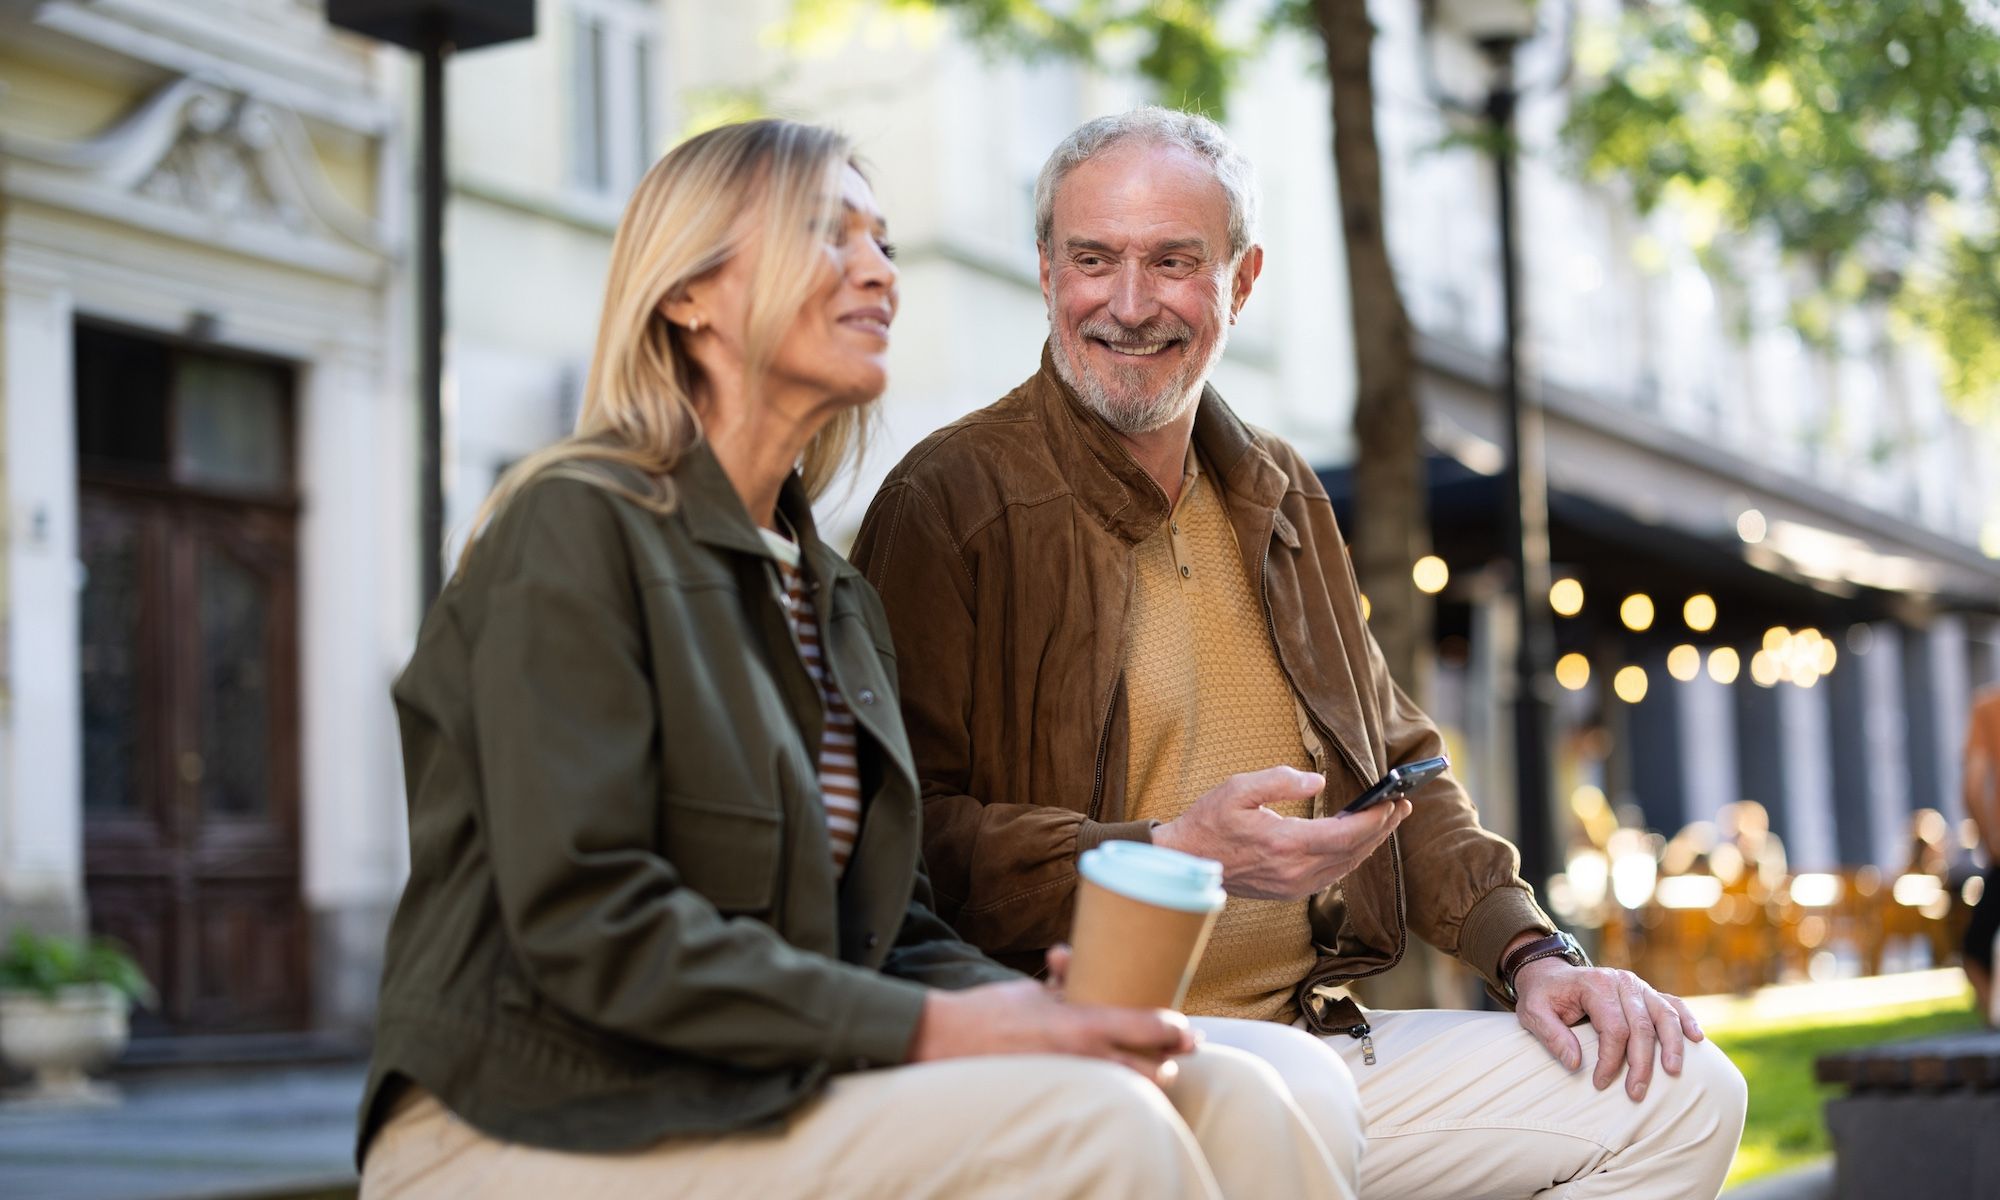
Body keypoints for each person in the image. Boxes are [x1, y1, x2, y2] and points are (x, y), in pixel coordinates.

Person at [356, 119, 1359, 1199]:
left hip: (764, 1081)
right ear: (688, 294)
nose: (878, 270)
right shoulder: (573, 527)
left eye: (880, 240)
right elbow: (588, 926)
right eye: (828, 236)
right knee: (1098, 1127)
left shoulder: (825, 591)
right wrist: (954, 1025)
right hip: (534, 1111)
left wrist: (1051, 1014)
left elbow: (890, 931)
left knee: (1232, 1091)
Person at [852, 107, 1748, 1199]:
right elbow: (911, 843)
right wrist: (1173, 854)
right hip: (1091, 1047)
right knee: (1284, 1101)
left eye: (1172, 262)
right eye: (1093, 259)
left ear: (1240, 281)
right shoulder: (946, 502)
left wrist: (1531, 953)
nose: (1127, 304)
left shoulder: (1278, 491)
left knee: (1679, 1089)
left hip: (1317, 1035)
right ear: (1046, 270)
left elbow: (1401, 766)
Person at [1962, 685, 2000, 1021]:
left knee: (1975, 948)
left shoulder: (1990, 706)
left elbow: (1972, 788)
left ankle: (1993, 1018)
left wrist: (1991, 843)